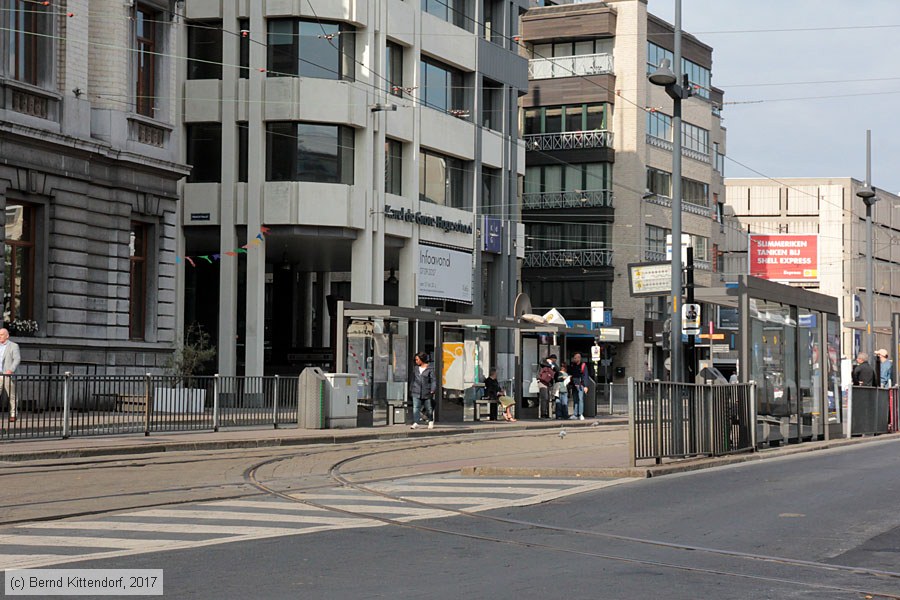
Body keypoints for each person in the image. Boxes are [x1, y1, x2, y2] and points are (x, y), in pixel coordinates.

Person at [410, 351, 436, 429]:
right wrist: (411, 389)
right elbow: (413, 379)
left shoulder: (430, 368)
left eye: (417, 359)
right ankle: (416, 422)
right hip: (416, 390)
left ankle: (430, 421)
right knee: (416, 407)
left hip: (426, 391)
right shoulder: (416, 368)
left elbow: (433, 380)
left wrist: (432, 389)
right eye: (415, 360)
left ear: (422, 359)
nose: (416, 361)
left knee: (429, 408)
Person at [0, 328, 21, 424]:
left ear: (7, 336)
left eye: (2, 334)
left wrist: (11, 370)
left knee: (12, 396)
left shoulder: (13, 346)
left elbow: (17, 359)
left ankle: (13, 414)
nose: (0, 336)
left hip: (8, 375)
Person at [537, 354, 559, 419]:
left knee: (547, 398)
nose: (554, 361)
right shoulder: (543, 362)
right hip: (542, 381)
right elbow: (541, 362)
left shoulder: (553, 364)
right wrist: (549, 363)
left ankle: (546, 413)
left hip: (548, 382)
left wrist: (553, 364)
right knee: (544, 398)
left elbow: (557, 369)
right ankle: (543, 413)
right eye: (553, 360)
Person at [568, 353, 588, 421]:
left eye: (575, 358)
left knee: (580, 399)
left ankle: (580, 414)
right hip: (574, 384)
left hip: (580, 385)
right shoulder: (573, 365)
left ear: (579, 358)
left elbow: (585, 376)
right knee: (575, 400)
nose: (574, 359)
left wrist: (585, 386)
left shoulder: (583, 365)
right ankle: (575, 414)